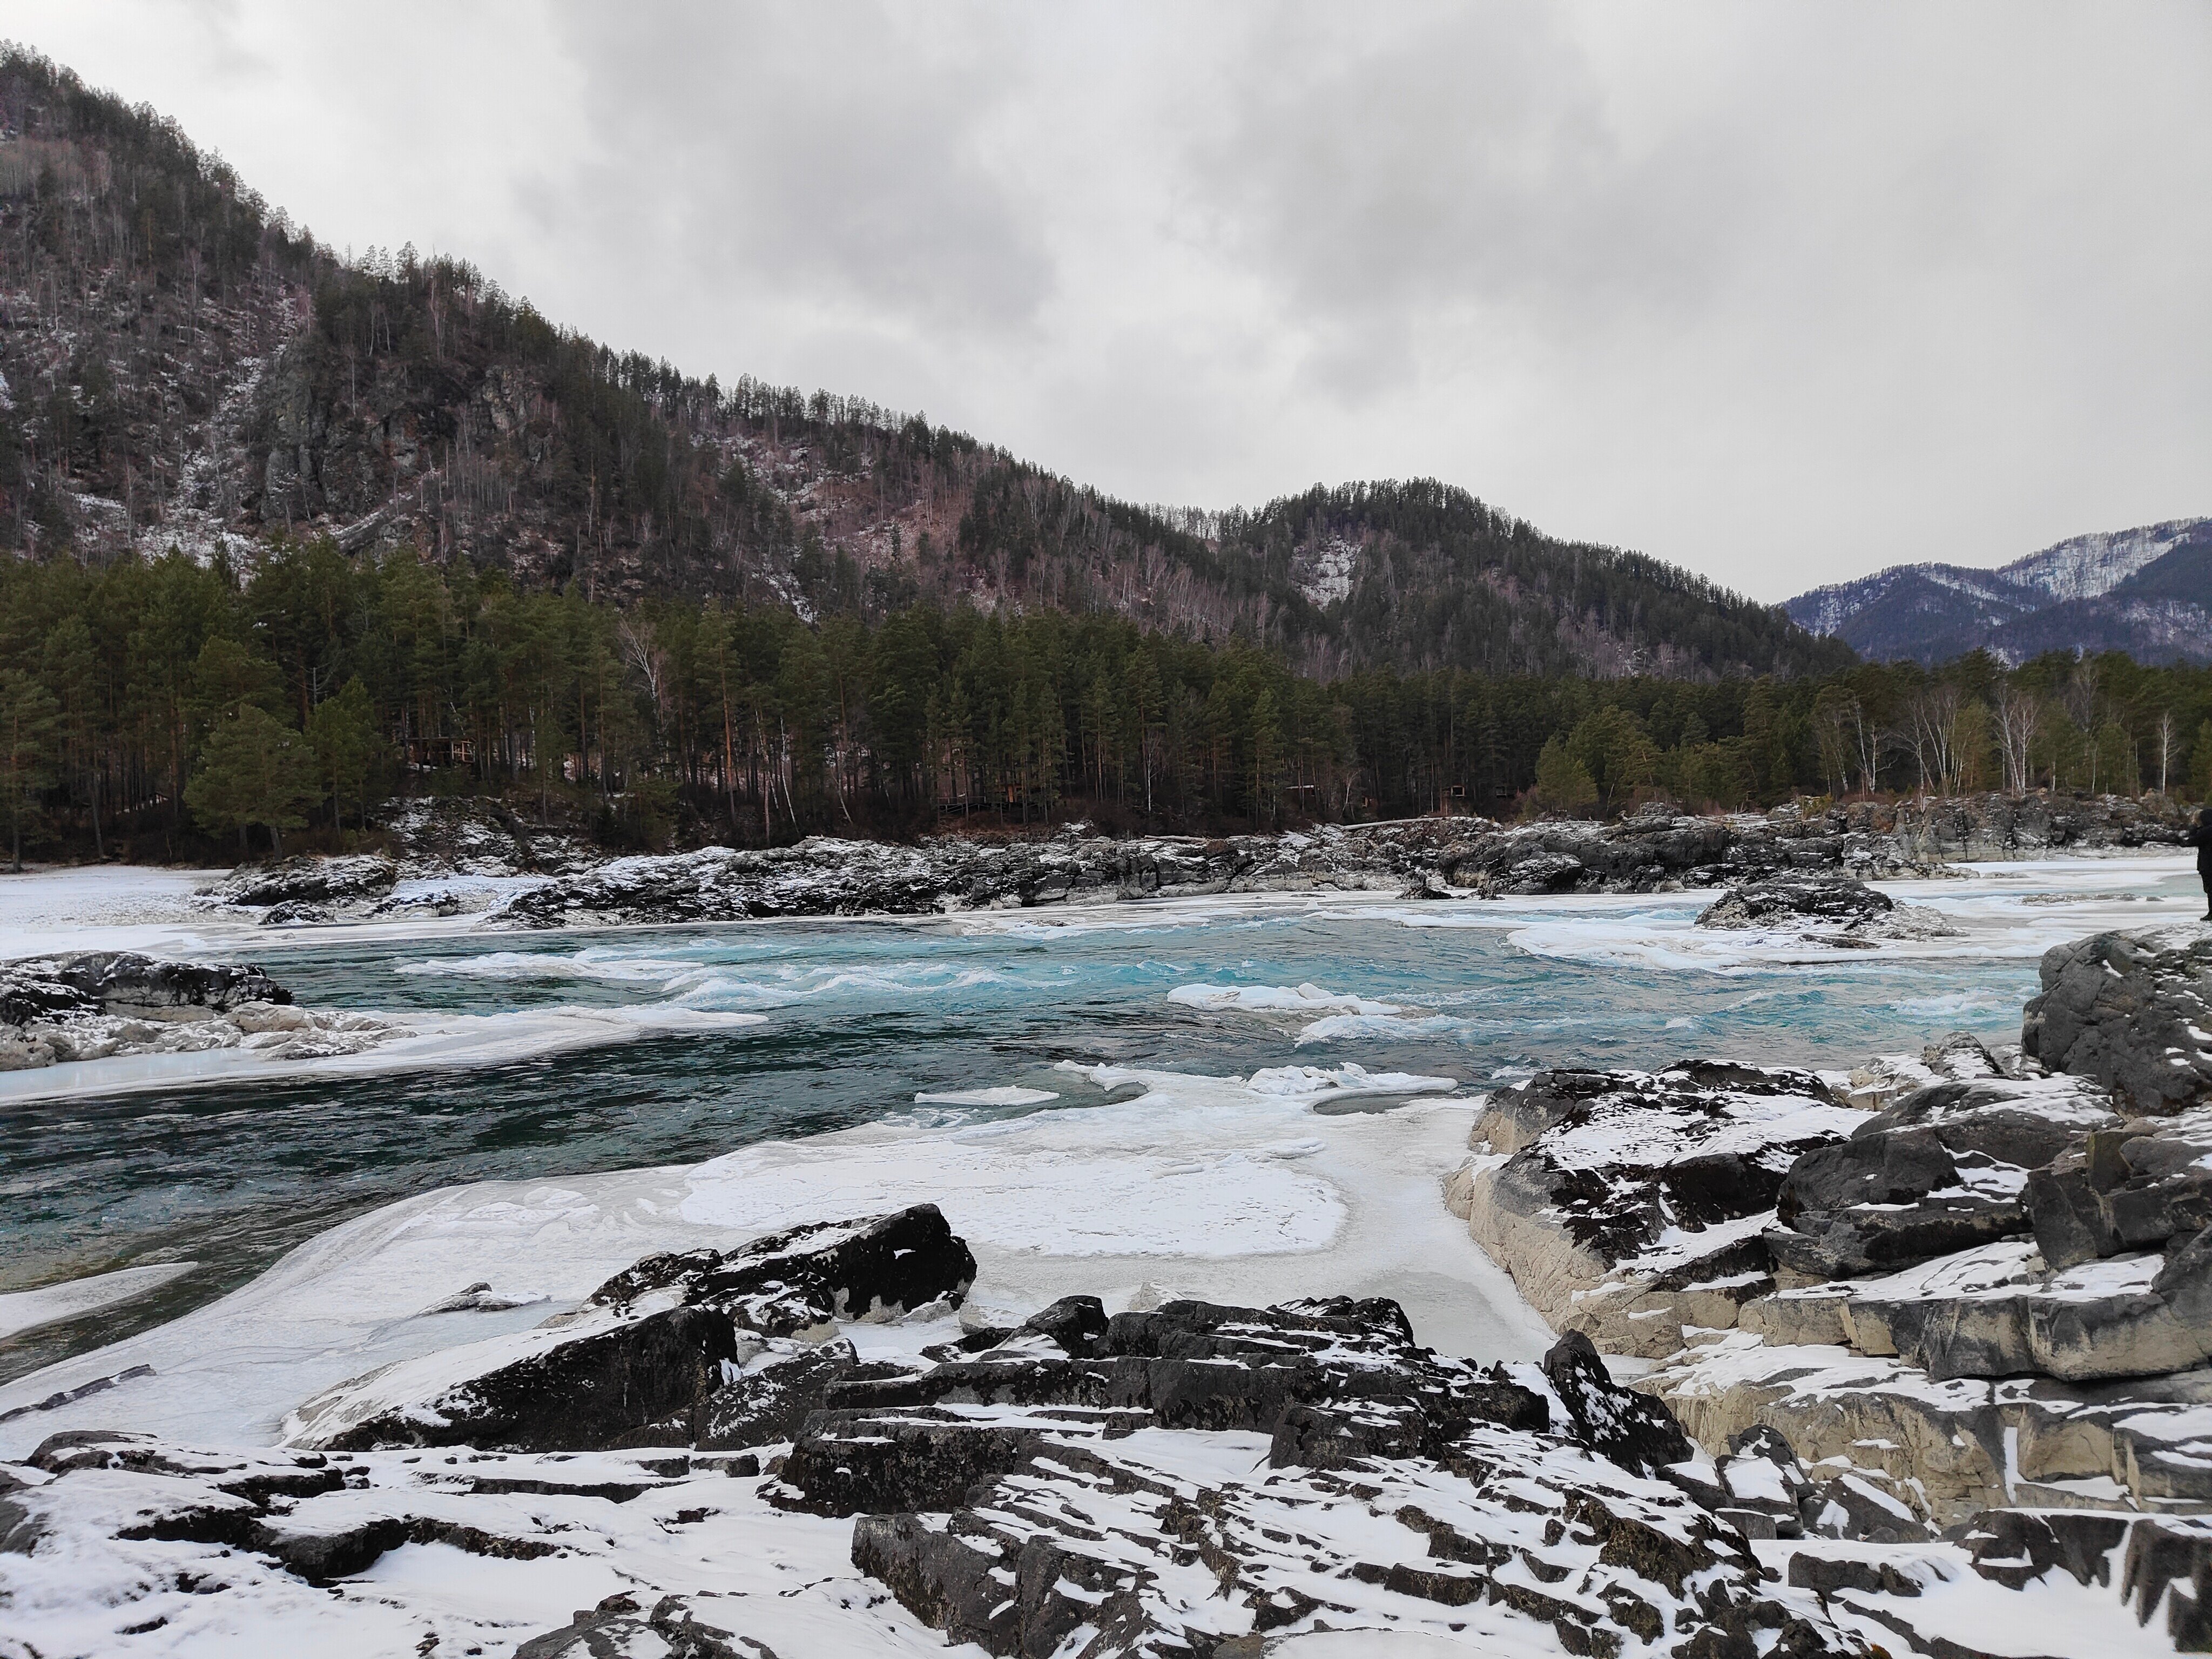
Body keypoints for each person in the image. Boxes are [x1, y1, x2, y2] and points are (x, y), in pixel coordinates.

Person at [2195, 807, 2212, 921]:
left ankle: (2211, 913)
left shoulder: (2205, 831)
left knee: (2210, 890)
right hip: (2207, 864)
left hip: (2207, 865)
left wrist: (2195, 826)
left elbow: (2192, 840)